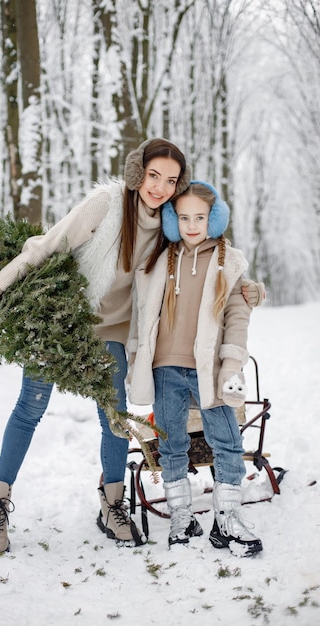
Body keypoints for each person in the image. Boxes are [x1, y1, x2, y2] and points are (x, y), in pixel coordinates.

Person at [0, 141, 264, 553]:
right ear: (137, 174)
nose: (160, 187)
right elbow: (49, 244)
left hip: (111, 332)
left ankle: (111, 504)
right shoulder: (105, 206)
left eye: (170, 180)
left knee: (114, 415)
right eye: (153, 176)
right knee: (30, 407)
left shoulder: (169, 227)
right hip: (65, 321)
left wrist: (244, 286)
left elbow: (208, 257)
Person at [127, 180, 263, 557]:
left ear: (214, 218)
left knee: (228, 441)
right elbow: (141, 317)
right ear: (172, 220)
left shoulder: (227, 260)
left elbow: (237, 315)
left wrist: (231, 364)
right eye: (183, 217)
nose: (191, 225)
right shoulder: (158, 260)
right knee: (171, 445)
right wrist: (136, 361)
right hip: (165, 368)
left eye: (199, 217)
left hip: (209, 369)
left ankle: (227, 518)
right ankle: (181, 515)